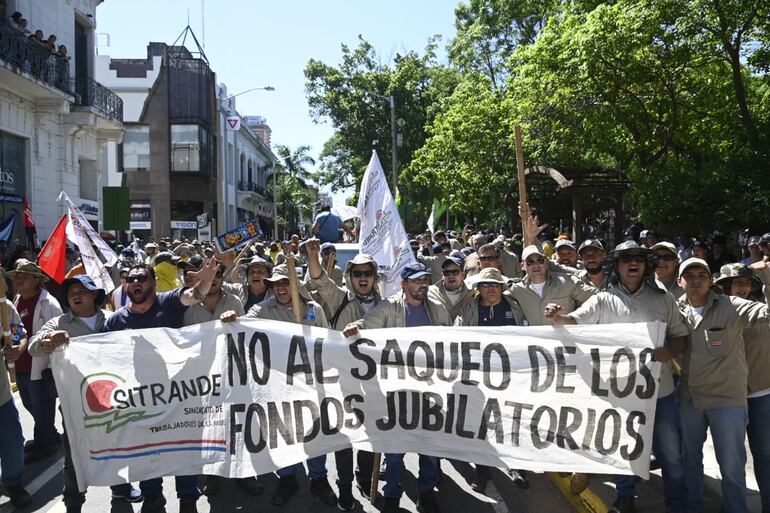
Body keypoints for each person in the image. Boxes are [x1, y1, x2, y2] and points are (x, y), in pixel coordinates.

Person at [546, 241, 689, 513]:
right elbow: (574, 321)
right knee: (625, 449)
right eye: (626, 259)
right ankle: (625, 497)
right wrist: (558, 317)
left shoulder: (663, 299)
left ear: (646, 265)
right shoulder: (602, 299)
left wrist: (668, 351)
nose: (632, 263)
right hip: (621, 393)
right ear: (617, 266)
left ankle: (677, 505)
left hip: (661, 392)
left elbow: (680, 336)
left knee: (671, 454)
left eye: (638, 258)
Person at [103, 258, 220, 513]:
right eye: (130, 278)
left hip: (178, 397)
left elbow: (194, 294)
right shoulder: (114, 322)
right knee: (146, 453)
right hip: (140, 401)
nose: (135, 282)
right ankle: (153, 497)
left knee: (183, 450)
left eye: (141, 278)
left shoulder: (168, 303)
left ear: (153, 283)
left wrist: (207, 279)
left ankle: (188, 501)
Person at [343, 262, 451, 513]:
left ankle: (426, 492)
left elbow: (450, 339)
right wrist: (356, 327)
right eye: (416, 280)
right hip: (396, 392)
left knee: (429, 446)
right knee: (394, 449)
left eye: (425, 279)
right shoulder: (390, 307)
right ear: (404, 284)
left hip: (429, 390)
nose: (422, 284)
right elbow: (366, 323)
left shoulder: (436, 309)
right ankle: (392, 493)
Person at [28, 275, 142, 512]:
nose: (76, 296)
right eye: (71, 294)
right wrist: (49, 340)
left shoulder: (112, 319)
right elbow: (33, 346)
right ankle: (74, 500)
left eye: (82, 291)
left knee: (117, 448)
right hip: (75, 404)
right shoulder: (59, 323)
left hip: (114, 400)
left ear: (94, 295)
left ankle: (120, 492)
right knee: (74, 457)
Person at [240, 261, 338, 508]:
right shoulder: (262, 310)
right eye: (277, 284)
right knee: (283, 433)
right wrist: (232, 319)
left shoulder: (314, 309)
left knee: (314, 432)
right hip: (278, 385)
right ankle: (287, 478)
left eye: (287, 283)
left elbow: (327, 341)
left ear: (296, 285)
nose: (282, 288)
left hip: (311, 383)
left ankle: (319, 478)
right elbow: (242, 324)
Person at [676, 257, 769, 513]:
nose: (696, 281)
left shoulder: (733, 306)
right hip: (690, 399)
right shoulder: (674, 309)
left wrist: (768, 280)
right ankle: (691, 507)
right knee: (690, 461)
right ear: (679, 281)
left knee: (731, 466)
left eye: (702, 276)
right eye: (690, 276)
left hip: (726, 401)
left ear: (711, 281)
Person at [305, 239, 383, 509]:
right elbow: (319, 279)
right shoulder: (340, 298)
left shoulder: (389, 305)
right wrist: (313, 255)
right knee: (344, 437)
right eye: (357, 273)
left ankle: (364, 477)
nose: (363, 278)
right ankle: (345, 486)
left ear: (375, 276)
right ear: (349, 277)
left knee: (369, 435)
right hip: (343, 382)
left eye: (367, 273)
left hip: (374, 384)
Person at [454, 268, 527, 492]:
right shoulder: (468, 309)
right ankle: (482, 468)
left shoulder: (515, 307)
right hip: (479, 377)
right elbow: (455, 336)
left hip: (510, 375)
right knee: (481, 423)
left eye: (495, 285)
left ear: (503, 287)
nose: (491, 289)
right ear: (479, 288)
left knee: (512, 419)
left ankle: (515, 464)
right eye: (486, 285)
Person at [714, 261, 770, 513]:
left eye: (747, 283)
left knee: (766, 455)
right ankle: (734, 507)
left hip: (761, 394)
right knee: (731, 460)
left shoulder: (762, 311)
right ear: (724, 286)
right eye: (738, 283)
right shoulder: (712, 314)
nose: (743, 288)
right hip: (727, 398)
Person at [9, 260, 63, 463]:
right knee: (30, 404)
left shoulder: (48, 304)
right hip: (21, 365)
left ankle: (46, 443)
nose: (18, 280)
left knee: (42, 405)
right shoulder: (16, 300)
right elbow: (14, 329)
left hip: (40, 367)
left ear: (36, 280)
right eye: (17, 276)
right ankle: (49, 433)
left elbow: (59, 336)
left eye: (23, 276)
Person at [508, 245, 595, 326]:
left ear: (546, 262)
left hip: (568, 340)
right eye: (530, 262)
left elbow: (597, 297)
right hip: (536, 342)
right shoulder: (516, 290)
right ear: (523, 266)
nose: (536, 265)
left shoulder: (567, 282)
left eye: (540, 260)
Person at [0, 296, 32, 508]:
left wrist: (17, 348)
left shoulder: (2, 305)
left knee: (12, 443)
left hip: (0, 395)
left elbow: (18, 332)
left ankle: (13, 483)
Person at [428, 256, 473, 321]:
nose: (451, 276)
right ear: (442, 276)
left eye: (455, 272)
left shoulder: (471, 294)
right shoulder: (430, 293)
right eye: (447, 272)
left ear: (463, 275)